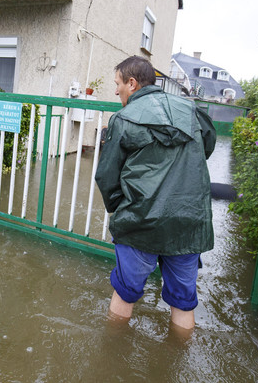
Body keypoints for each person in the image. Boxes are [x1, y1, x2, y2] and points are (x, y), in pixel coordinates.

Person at [95, 56, 216, 330]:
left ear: (133, 83)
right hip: (189, 222)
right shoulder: (192, 110)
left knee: (125, 294)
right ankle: (177, 360)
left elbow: (106, 176)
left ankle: (112, 356)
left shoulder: (122, 119)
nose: (116, 91)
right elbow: (206, 147)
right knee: (184, 303)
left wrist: (122, 208)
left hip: (140, 222)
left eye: (118, 84)